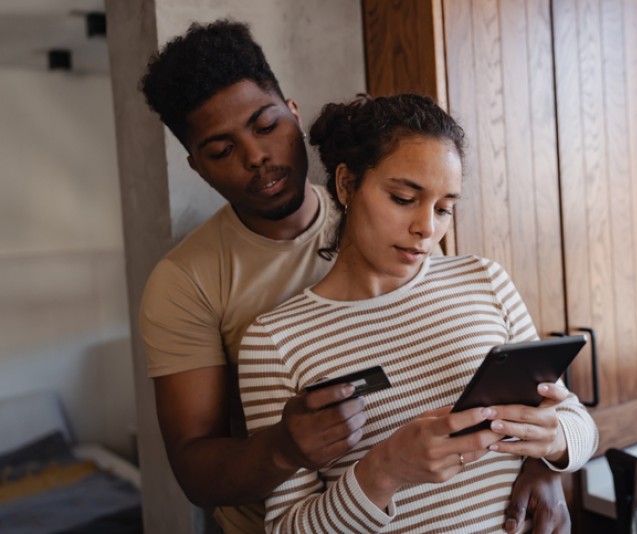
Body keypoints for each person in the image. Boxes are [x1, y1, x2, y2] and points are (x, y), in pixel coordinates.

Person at [138, 19, 578, 534]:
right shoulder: (194, 289)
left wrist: (542, 458)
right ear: (197, 165)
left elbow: (540, 406)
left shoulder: (406, 221)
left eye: (266, 126)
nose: (256, 156)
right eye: (221, 150)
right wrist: (288, 449)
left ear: (292, 113)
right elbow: (197, 470)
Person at [238, 93, 599, 532]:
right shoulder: (274, 342)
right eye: (404, 198)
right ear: (347, 184)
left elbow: (578, 423)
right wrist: (384, 471)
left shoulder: (484, 280)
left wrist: (554, 444)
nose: (427, 228)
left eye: (444, 208)